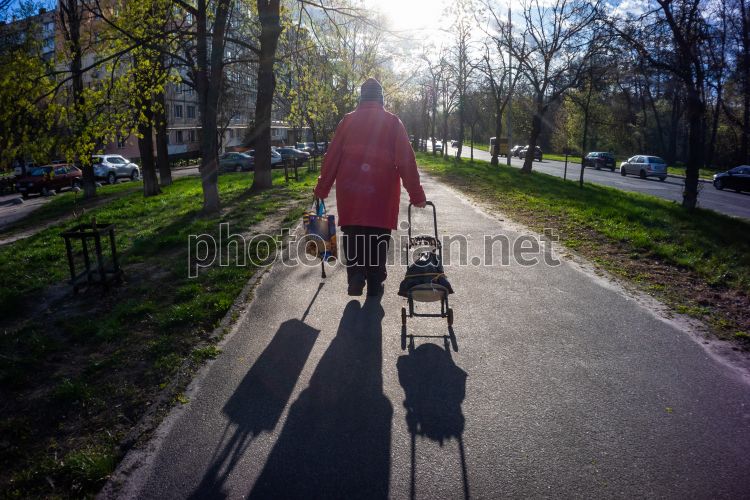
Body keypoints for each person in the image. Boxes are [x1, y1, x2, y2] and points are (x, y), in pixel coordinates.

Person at [314, 78, 427, 297]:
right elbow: (406, 161)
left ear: (361, 98)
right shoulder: (393, 122)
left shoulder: (347, 121)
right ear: (381, 99)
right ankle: (375, 281)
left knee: (353, 233)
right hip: (382, 193)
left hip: (350, 192)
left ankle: (356, 275)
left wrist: (322, 188)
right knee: (378, 236)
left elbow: (332, 157)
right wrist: (416, 195)